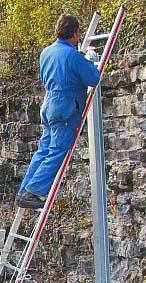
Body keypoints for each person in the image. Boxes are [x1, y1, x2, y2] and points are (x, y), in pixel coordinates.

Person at [17, 14, 101, 209]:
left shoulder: (46, 52)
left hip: (48, 107)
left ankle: (23, 191)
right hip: (65, 108)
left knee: (43, 150)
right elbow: (93, 78)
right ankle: (35, 191)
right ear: (74, 33)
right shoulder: (72, 55)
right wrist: (88, 60)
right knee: (58, 151)